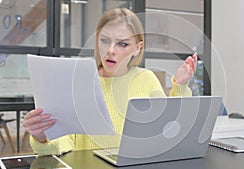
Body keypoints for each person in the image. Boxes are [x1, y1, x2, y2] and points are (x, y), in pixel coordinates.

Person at [22, 8, 198, 155]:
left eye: (122, 44)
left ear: (138, 48)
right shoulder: (79, 82)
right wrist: (41, 137)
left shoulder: (146, 79)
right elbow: (65, 143)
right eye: (105, 41)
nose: (111, 50)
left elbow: (169, 132)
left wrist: (181, 85)